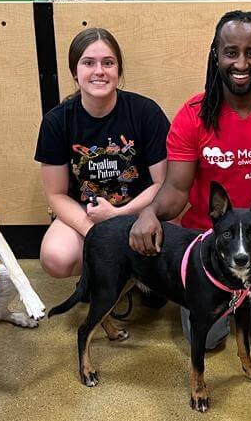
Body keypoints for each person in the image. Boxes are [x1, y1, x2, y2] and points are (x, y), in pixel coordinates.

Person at [129, 9, 251, 352]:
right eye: (231, 52)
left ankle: (246, 295)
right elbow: (175, 189)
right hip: (209, 234)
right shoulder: (193, 115)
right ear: (216, 55)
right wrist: (150, 212)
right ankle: (217, 292)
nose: (241, 63)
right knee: (207, 341)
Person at [35, 27, 170, 279]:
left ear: (119, 70)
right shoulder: (56, 121)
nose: (99, 71)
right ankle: (110, 275)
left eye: (108, 63)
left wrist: (119, 215)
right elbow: (56, 195)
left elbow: (163, 184)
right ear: (74, 72)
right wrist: (97, 232)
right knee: (56, 258)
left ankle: (136, 278)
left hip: (141, 210)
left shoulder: (146, 112)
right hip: (88, 215)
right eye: (88, 63)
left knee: (170, 243)